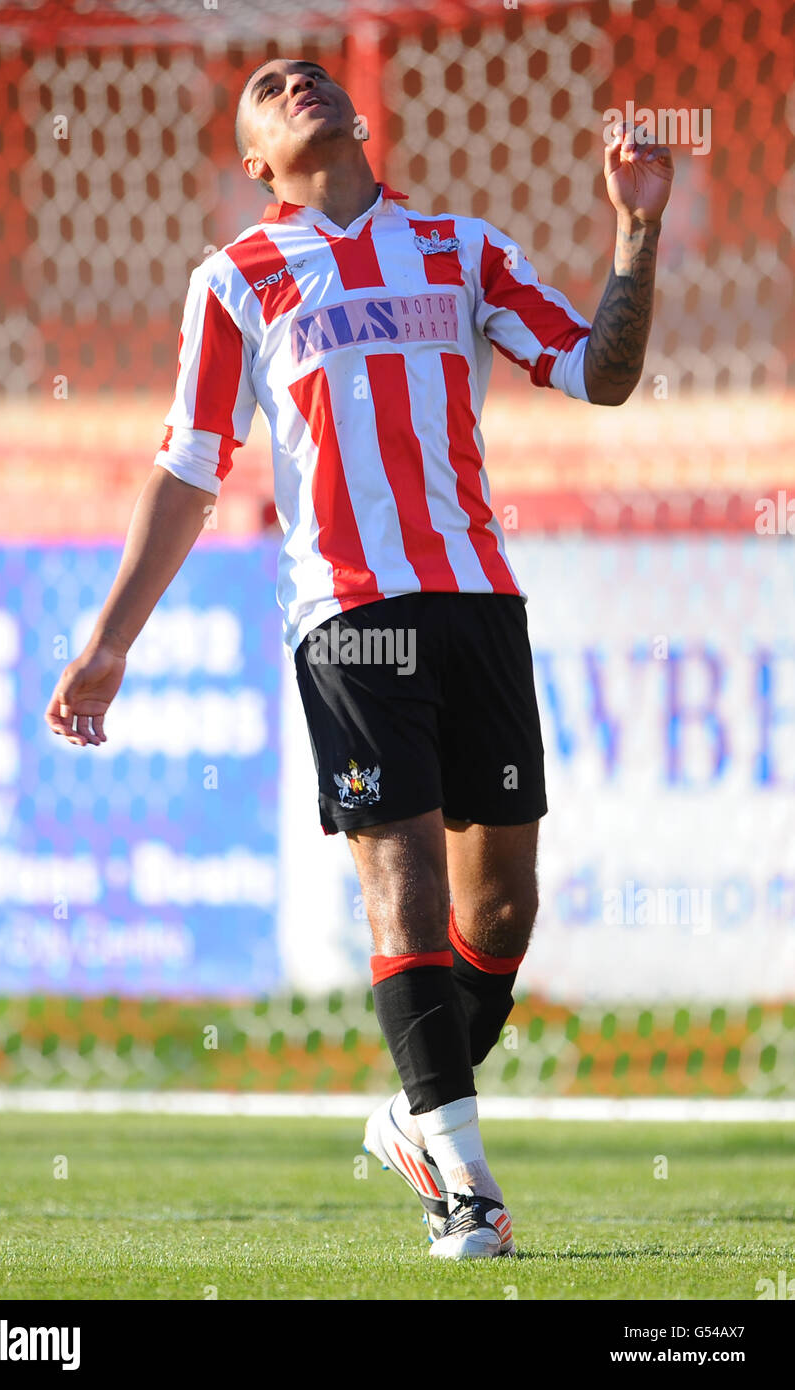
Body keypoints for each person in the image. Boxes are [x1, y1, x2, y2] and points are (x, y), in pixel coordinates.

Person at [45, 56, 672, 1259]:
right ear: (251, 161)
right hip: (347, 615)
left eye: (314, 75)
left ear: (361, 117)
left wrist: (633, 233)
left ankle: (412, 1119)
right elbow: (189, 467)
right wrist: (108, 642)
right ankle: (469, 1189)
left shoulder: (460, 248)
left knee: (500, 908)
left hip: (479, 599)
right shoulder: (235, 279)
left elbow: (601, 372)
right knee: (407, 887)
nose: (300, 83)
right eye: (272, 86)